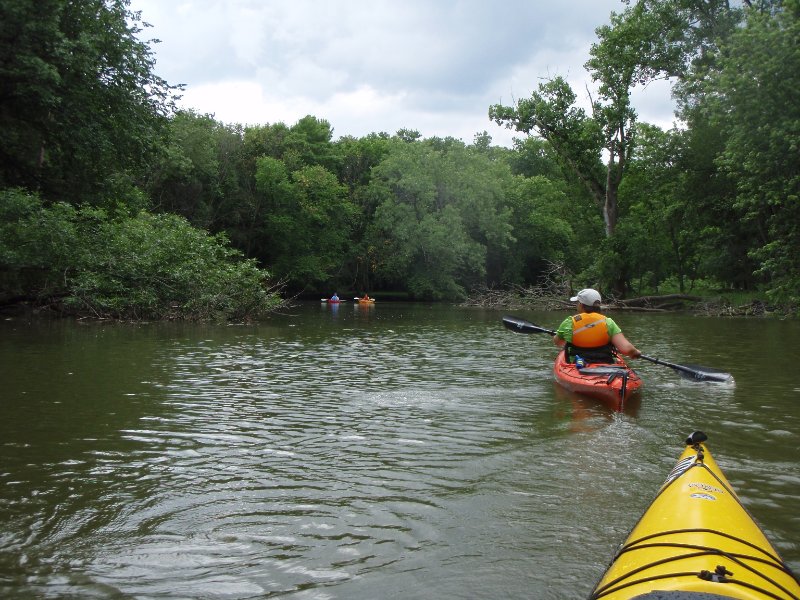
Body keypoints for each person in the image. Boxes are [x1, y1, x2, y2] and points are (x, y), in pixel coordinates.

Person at [553, 288, 641, 364]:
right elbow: (627, 349)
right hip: (605, 364)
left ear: (581, 305)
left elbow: (558, 342)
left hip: (578, 365)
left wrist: (560, 334)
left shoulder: (569, 322)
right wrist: (635, 352)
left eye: (577, 302)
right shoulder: (608, 322)